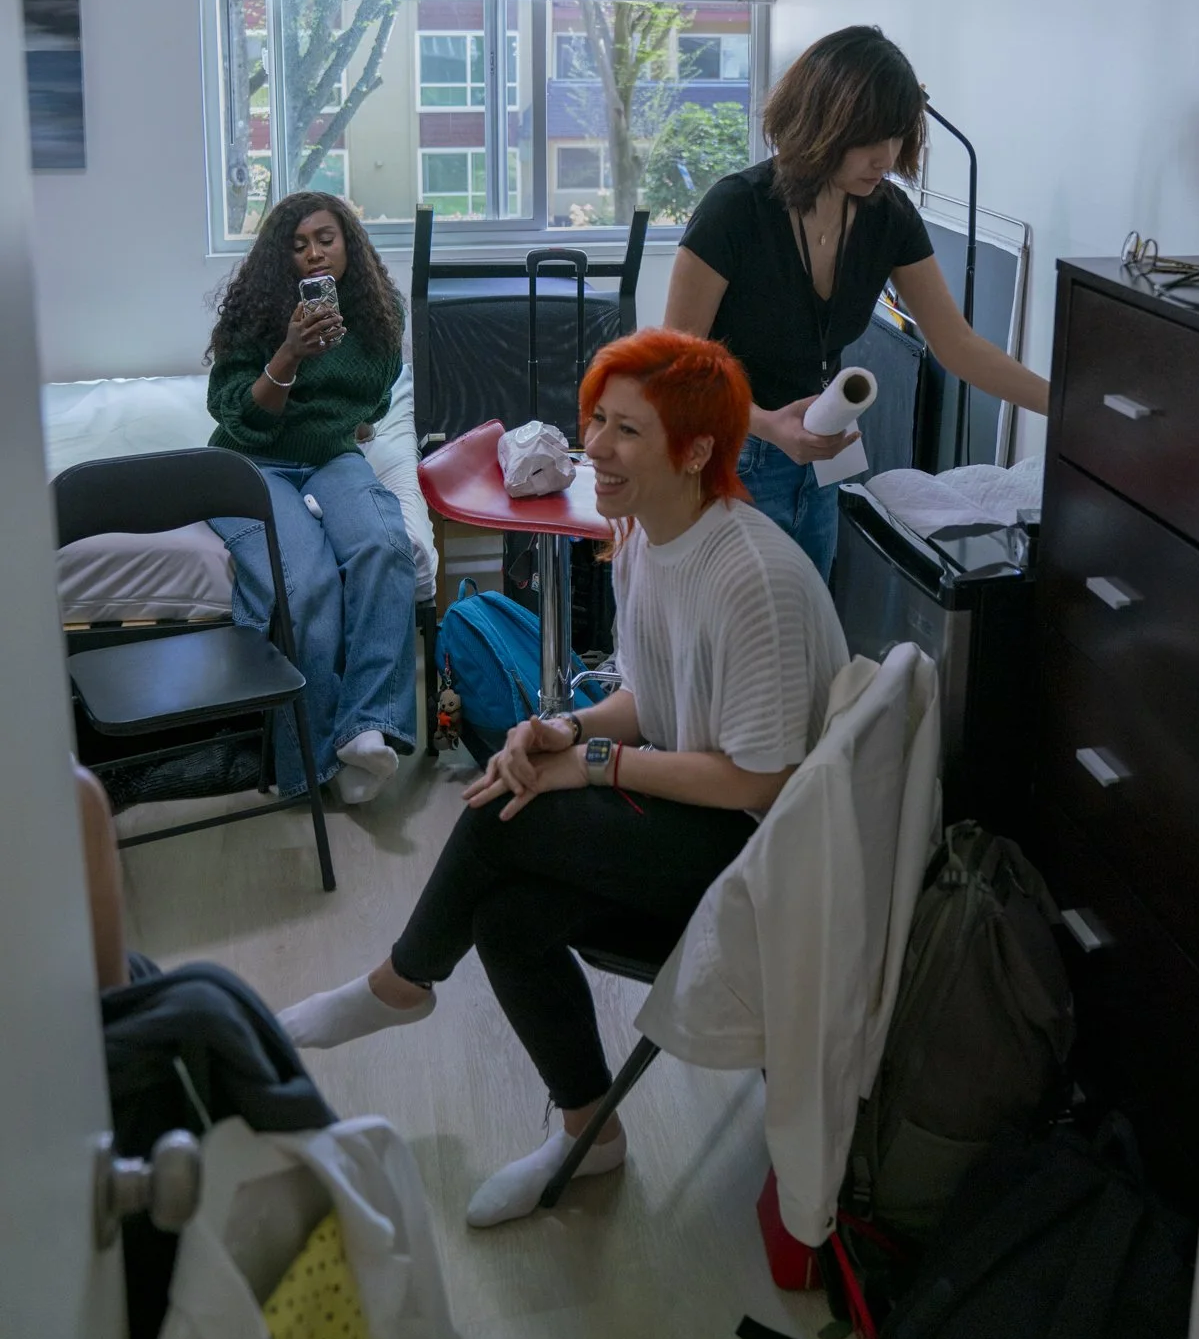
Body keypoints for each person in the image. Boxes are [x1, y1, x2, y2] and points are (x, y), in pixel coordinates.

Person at [278, 329, 849, 1227]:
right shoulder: (642, 541)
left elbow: (760, 781)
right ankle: (592, 1133)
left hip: (764, 866)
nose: (596, 448)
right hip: (696, 828)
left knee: (529, 809)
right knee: (509, 914)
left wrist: (590, 765)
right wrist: (567, 726)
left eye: (626, 430)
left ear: (696, 451)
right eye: (597, 421)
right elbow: (648, 695)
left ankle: (399, 983)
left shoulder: (751, 578)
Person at [663, 24, 1049, 578]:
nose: (886, 157)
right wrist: (772, 427)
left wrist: (1068, 408)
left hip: (821, 460)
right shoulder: (735, 211)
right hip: (729, 456)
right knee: (734, 643)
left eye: (896, 137)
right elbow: (675, 369)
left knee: (805, 637)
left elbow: (957, 345)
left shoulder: (887, 216)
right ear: (822, 121)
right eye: (870, 138)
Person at [206, 192, 417, 806]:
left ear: (348, 242)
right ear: (282, 257)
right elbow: (243, 419)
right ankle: (310, 763)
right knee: (307, 581)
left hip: (329, 454)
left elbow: (374, 396)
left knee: (384, 545)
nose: (314, 253)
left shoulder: (379, 313)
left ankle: (367, 728)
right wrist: (291, 352)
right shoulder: (254, 315)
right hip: (251, 460)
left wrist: (352, 424)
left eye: (325, 238)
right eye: (297, 245)